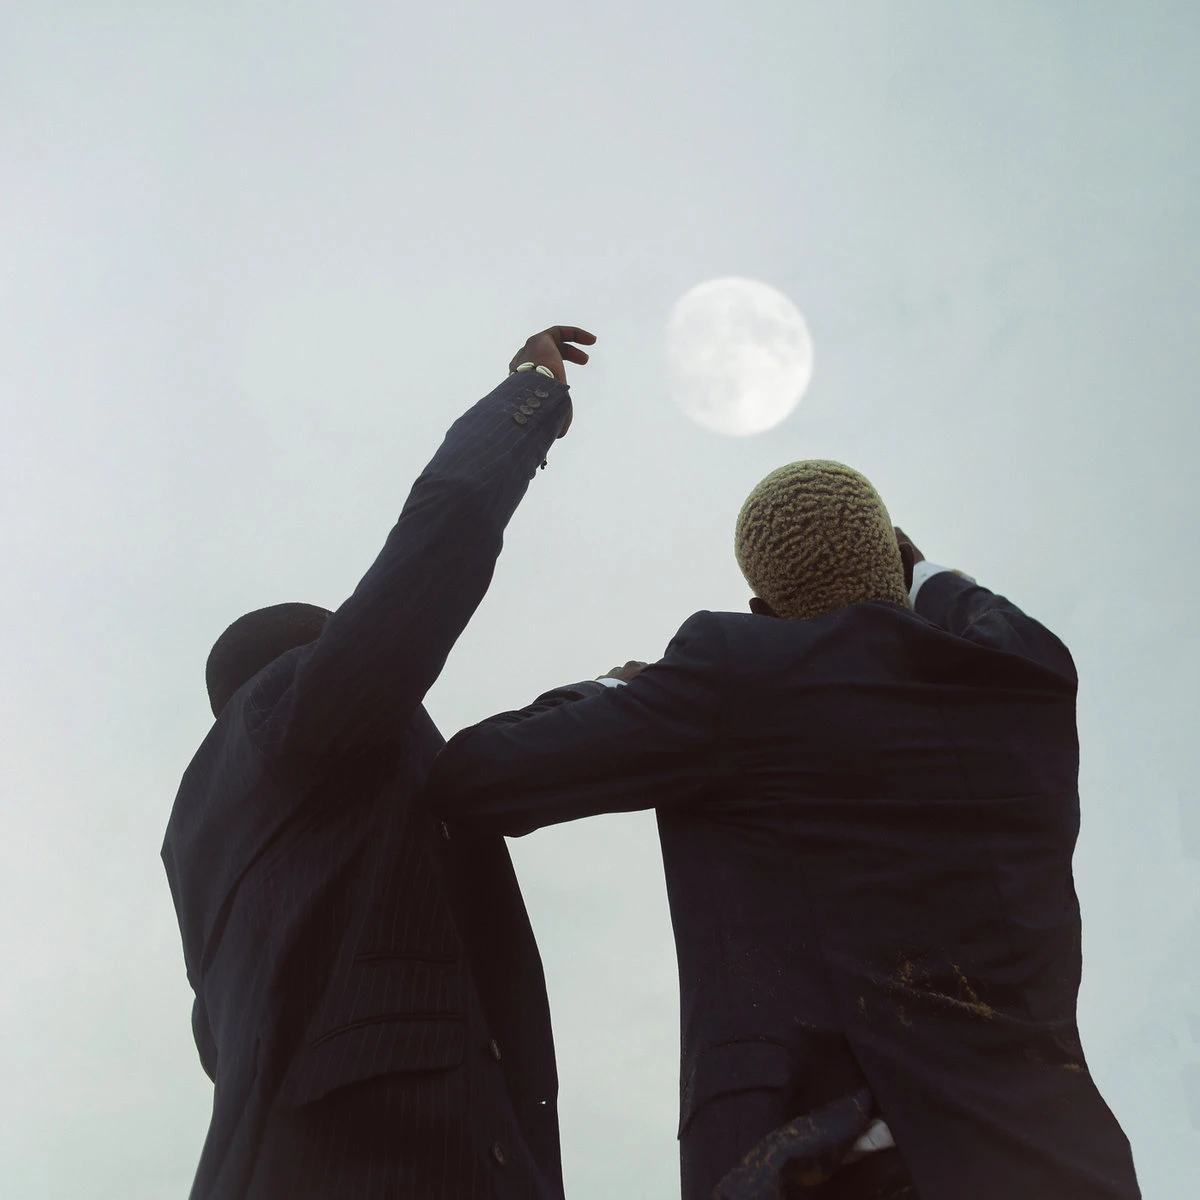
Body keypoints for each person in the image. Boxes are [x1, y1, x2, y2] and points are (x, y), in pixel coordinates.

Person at [423, 459, 1142, 1200]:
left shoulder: (738, 676)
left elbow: (474, 776)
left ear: (764, 608)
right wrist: (919, 570)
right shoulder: (1028, 676)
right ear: (895, 562)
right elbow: (986, 615)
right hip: (1066, 1167)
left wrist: (620, 686)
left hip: (846, 1168)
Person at [161, 325, 596, 1200]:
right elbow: (445, 527)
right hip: (394, 1158)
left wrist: (600, 695)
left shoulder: (201, 844)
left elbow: (216, 1038)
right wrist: (528, 395)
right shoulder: (296, 706)